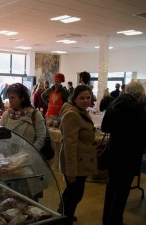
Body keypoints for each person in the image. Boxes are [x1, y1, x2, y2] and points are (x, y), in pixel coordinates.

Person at [101, 81, 146, 225]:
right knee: (123, 190)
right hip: (130, 153)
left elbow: (104, 127)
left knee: (111, 186)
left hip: (114, 149)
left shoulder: (112, 104)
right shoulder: (139, 110)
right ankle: (115, 220)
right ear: (139, 95)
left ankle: (106, 218)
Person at [58, 85, 98, 224]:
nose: (86, 100)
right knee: (75, 194)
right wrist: (71, 171)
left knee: (71, 193)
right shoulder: (72, 114)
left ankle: (62, 214)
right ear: (74, 99)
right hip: (76, 162)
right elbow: (70, 145)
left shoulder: (80, 111)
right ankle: (65, 218)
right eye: (82, 98)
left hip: (81, 160)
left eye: (88, 97)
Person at [0, 83, 46, 151]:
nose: (10, 101)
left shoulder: (35, 115)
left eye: (12, 97)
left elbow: (40, 139)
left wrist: (30, 153)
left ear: (22, 98)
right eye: (9, 97)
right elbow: (1, 136)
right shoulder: (6, 115)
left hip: (28, 158)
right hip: (8, 157)